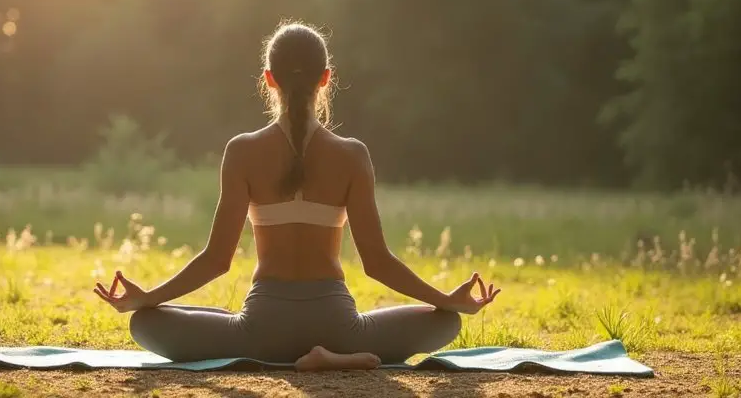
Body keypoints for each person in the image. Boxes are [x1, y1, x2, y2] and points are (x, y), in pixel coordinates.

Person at [94, 22, 501, 371]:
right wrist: (446, 300)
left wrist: (149, 298)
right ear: (326, 78)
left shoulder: (242, 152)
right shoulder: (353, 155)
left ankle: (286, 354)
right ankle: (338, 357)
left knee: (145, 323)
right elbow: (378, 264)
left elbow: (216, 261)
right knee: (446, 322)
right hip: (340, 329)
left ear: (268, 79)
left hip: (259, 333)